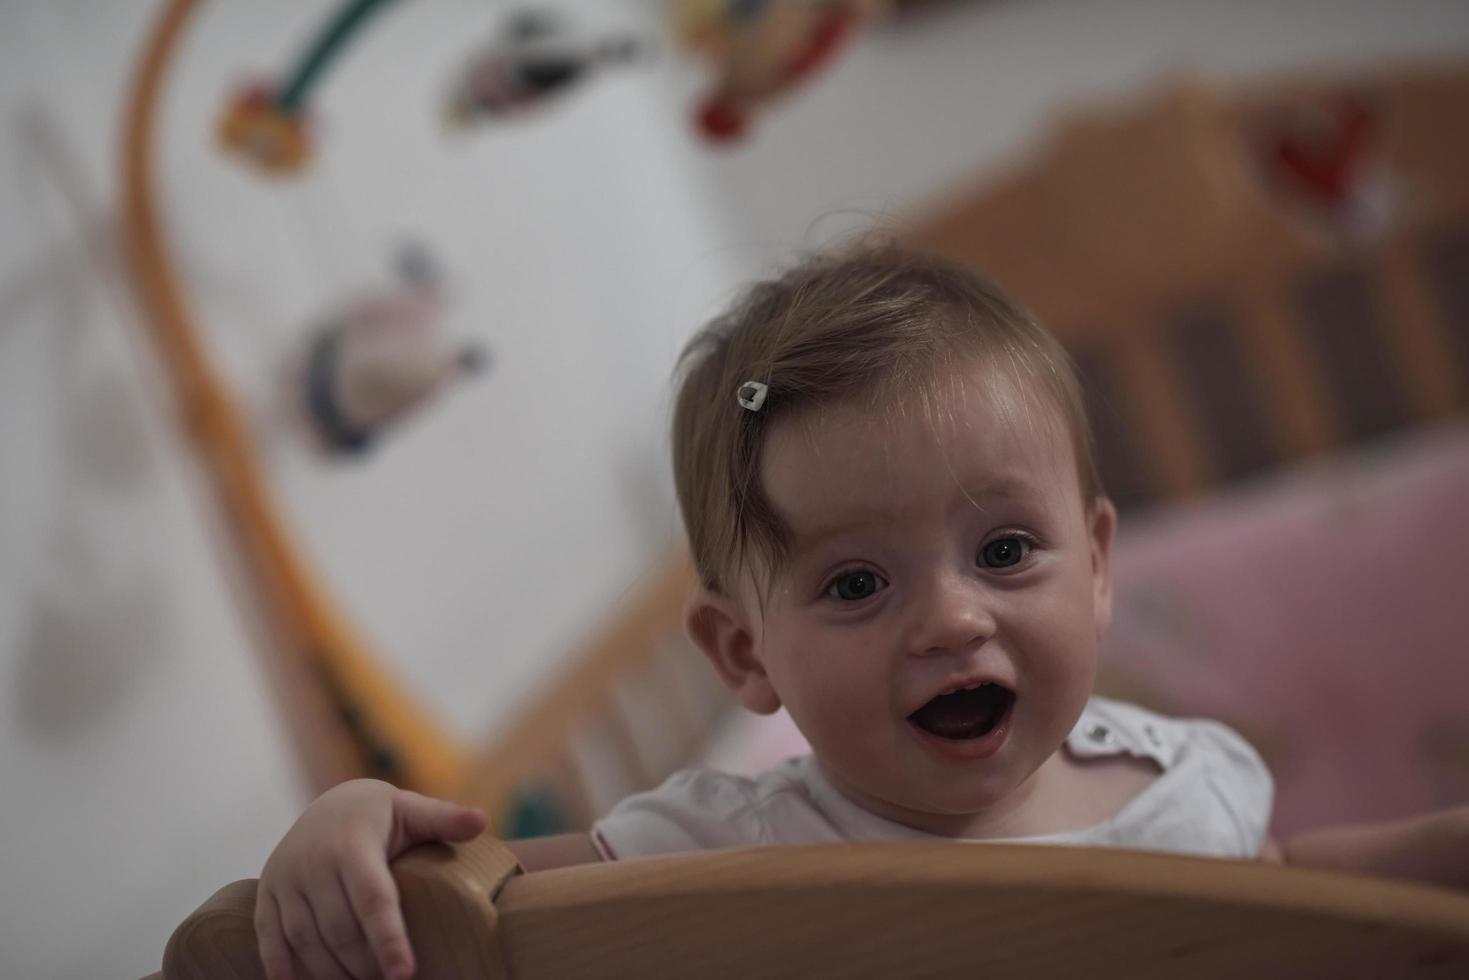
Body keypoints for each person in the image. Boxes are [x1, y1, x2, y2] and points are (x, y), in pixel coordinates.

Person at [253, 243, 1469, 980]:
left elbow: (1295, 885)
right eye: (853, 584)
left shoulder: (1180, 780)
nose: (947, 619)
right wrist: (356, 821)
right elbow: (488, 900)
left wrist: (1435, 847)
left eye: (1001, 550)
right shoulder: (729, 845)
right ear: (742, 651)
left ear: (1097, 566)